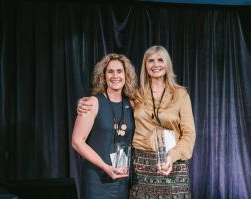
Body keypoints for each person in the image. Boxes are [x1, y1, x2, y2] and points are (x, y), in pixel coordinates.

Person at [78, 45, 196, 198]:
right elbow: (112, 100)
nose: (155, 65)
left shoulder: (181, 95)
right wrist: (83, 102)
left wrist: (171, 157)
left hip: (171, 163)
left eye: (160, 60)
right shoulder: (136, 95)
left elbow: (189, 134)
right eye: (150, 61)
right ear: (145, 66)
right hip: (141, 166)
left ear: (167, 64)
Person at [72, 53, 137, 199]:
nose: (115, 76)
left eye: (119, 71)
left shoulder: (132, 104)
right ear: (104, 76)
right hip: (97, 180)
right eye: (110, 71)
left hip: (121, 179)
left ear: (126, 75)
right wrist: (105, 167)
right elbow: (77, 142)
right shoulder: (92, 102)